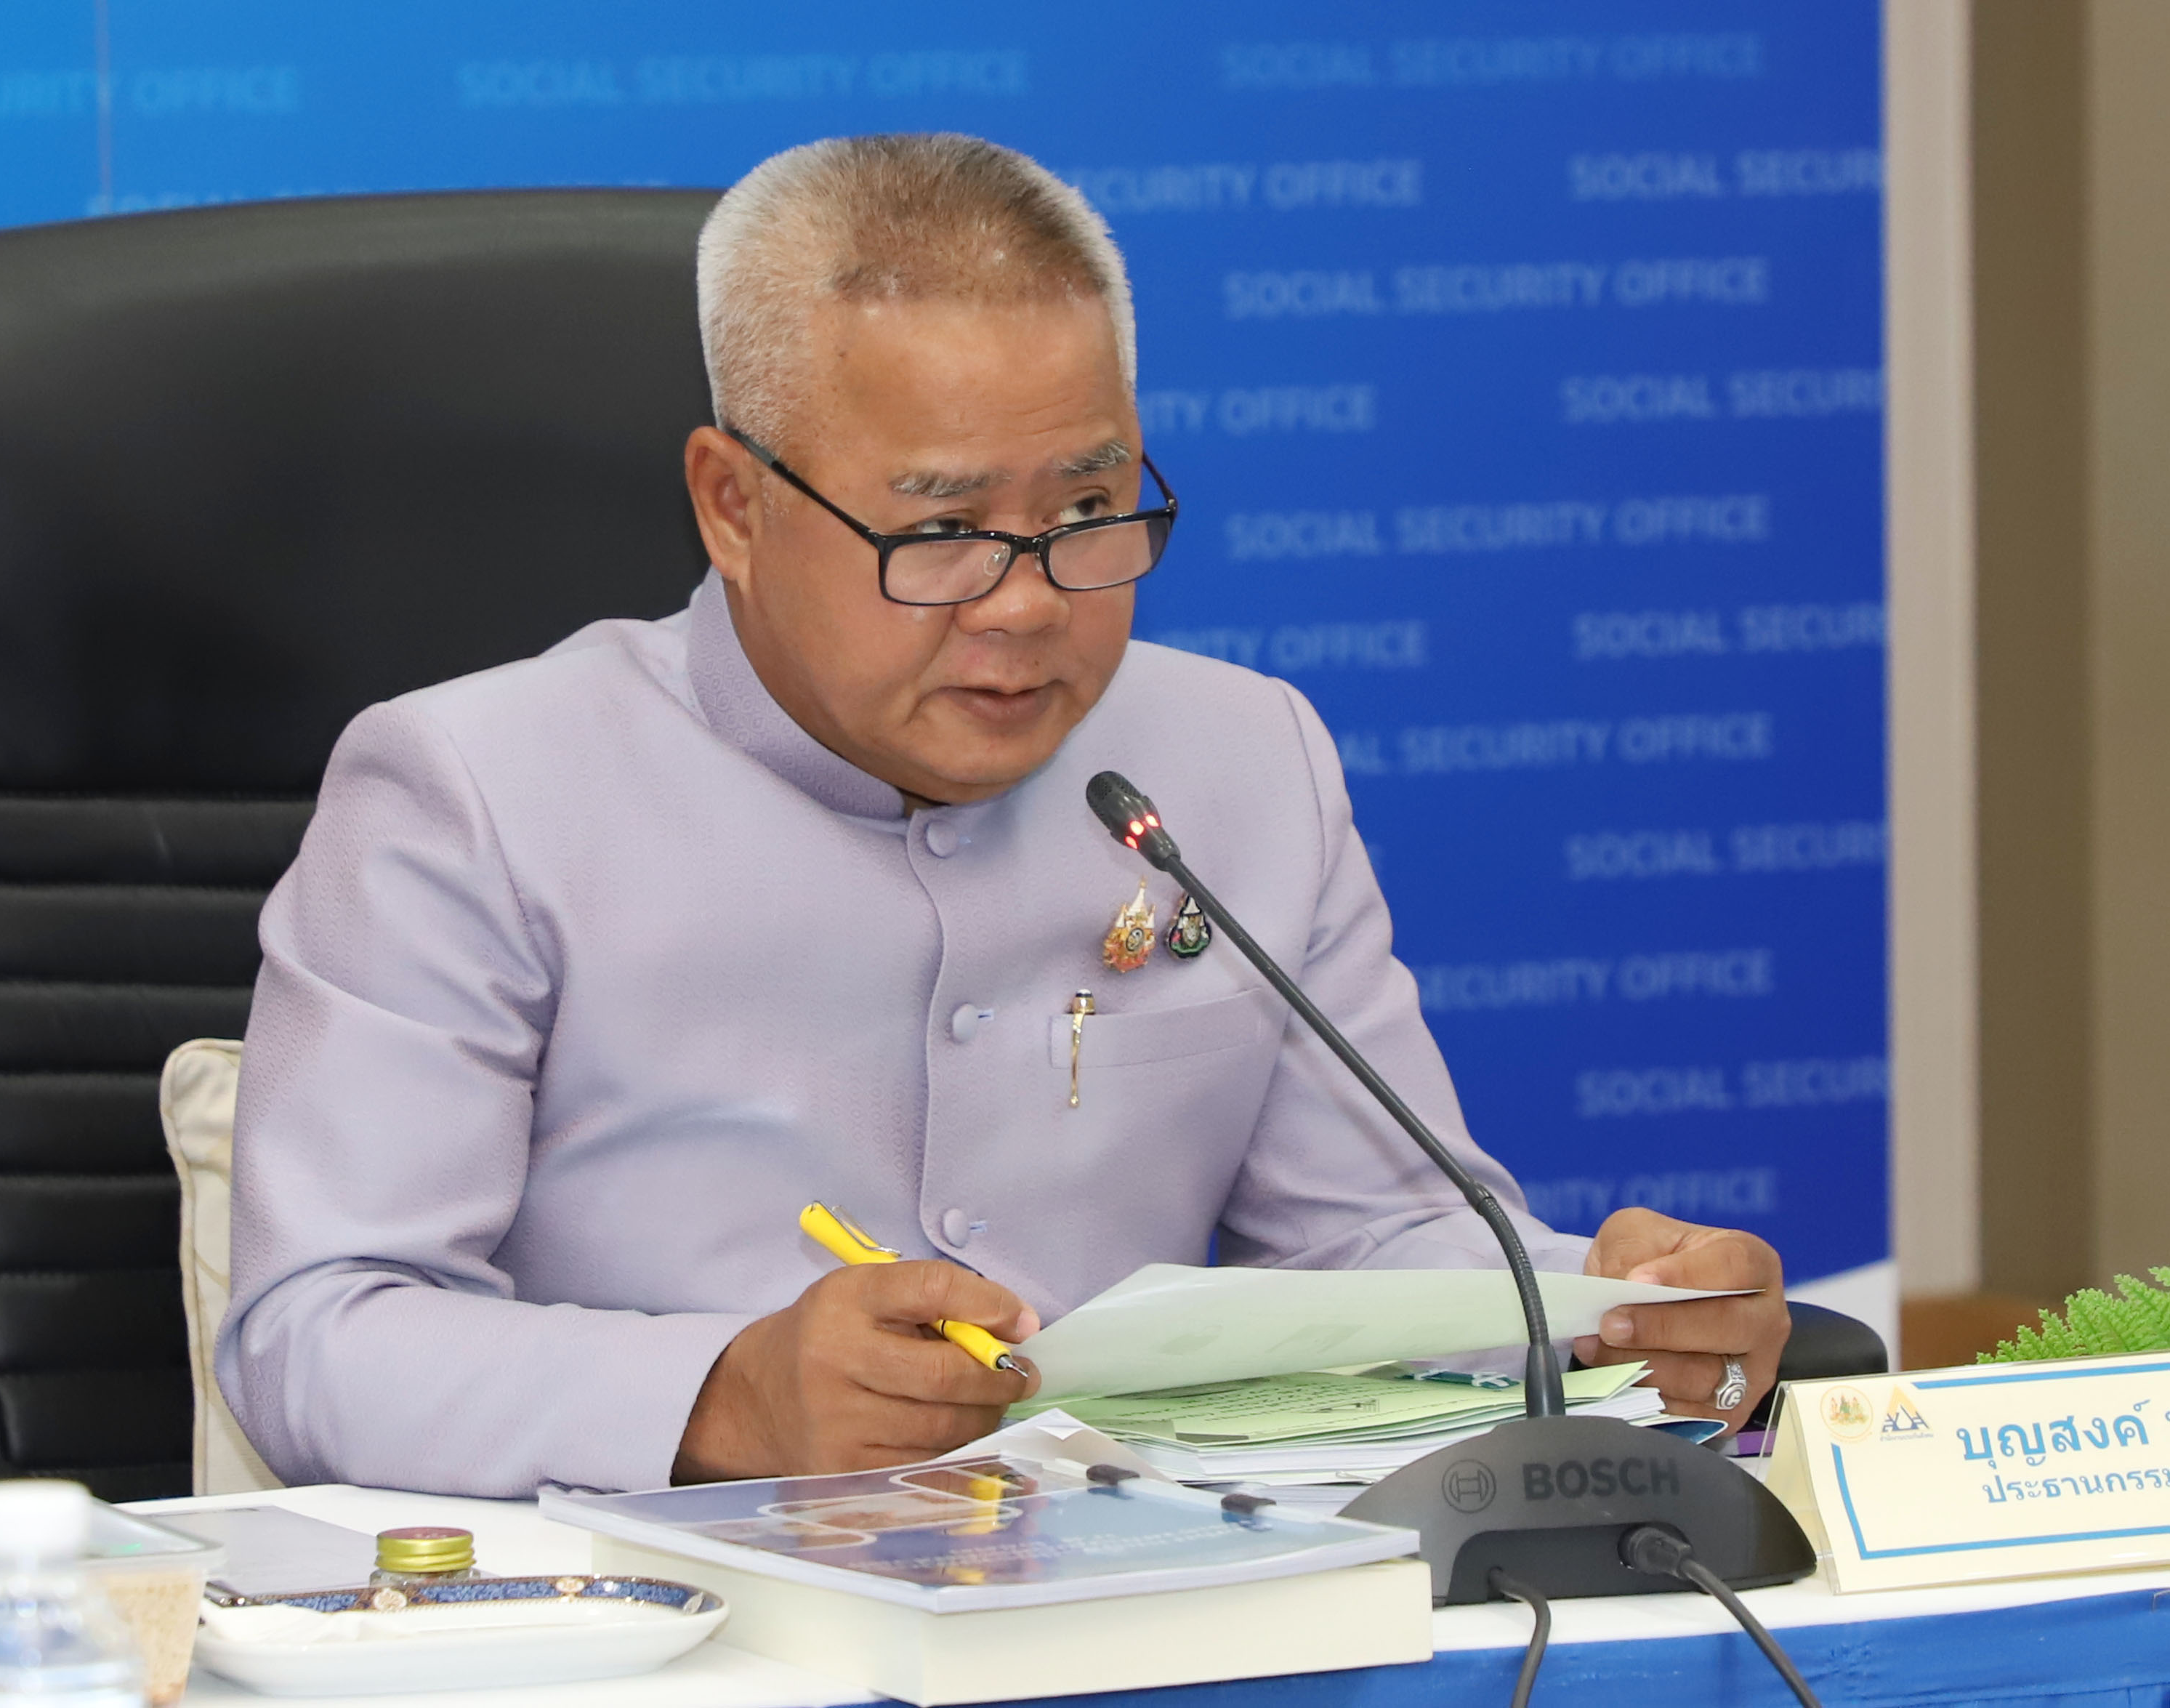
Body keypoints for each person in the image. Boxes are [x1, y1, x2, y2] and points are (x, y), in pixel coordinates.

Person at [217, 133, 1790, 1499]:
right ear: (733, 504)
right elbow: (317, 1333)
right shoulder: (474, 791)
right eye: (944, 528)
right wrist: (719, 1396)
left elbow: (1373, 1240)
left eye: (1088, 510)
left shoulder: (1243, 757)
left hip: (1140, 1600)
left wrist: (1600, 1314)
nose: (1027, 605)